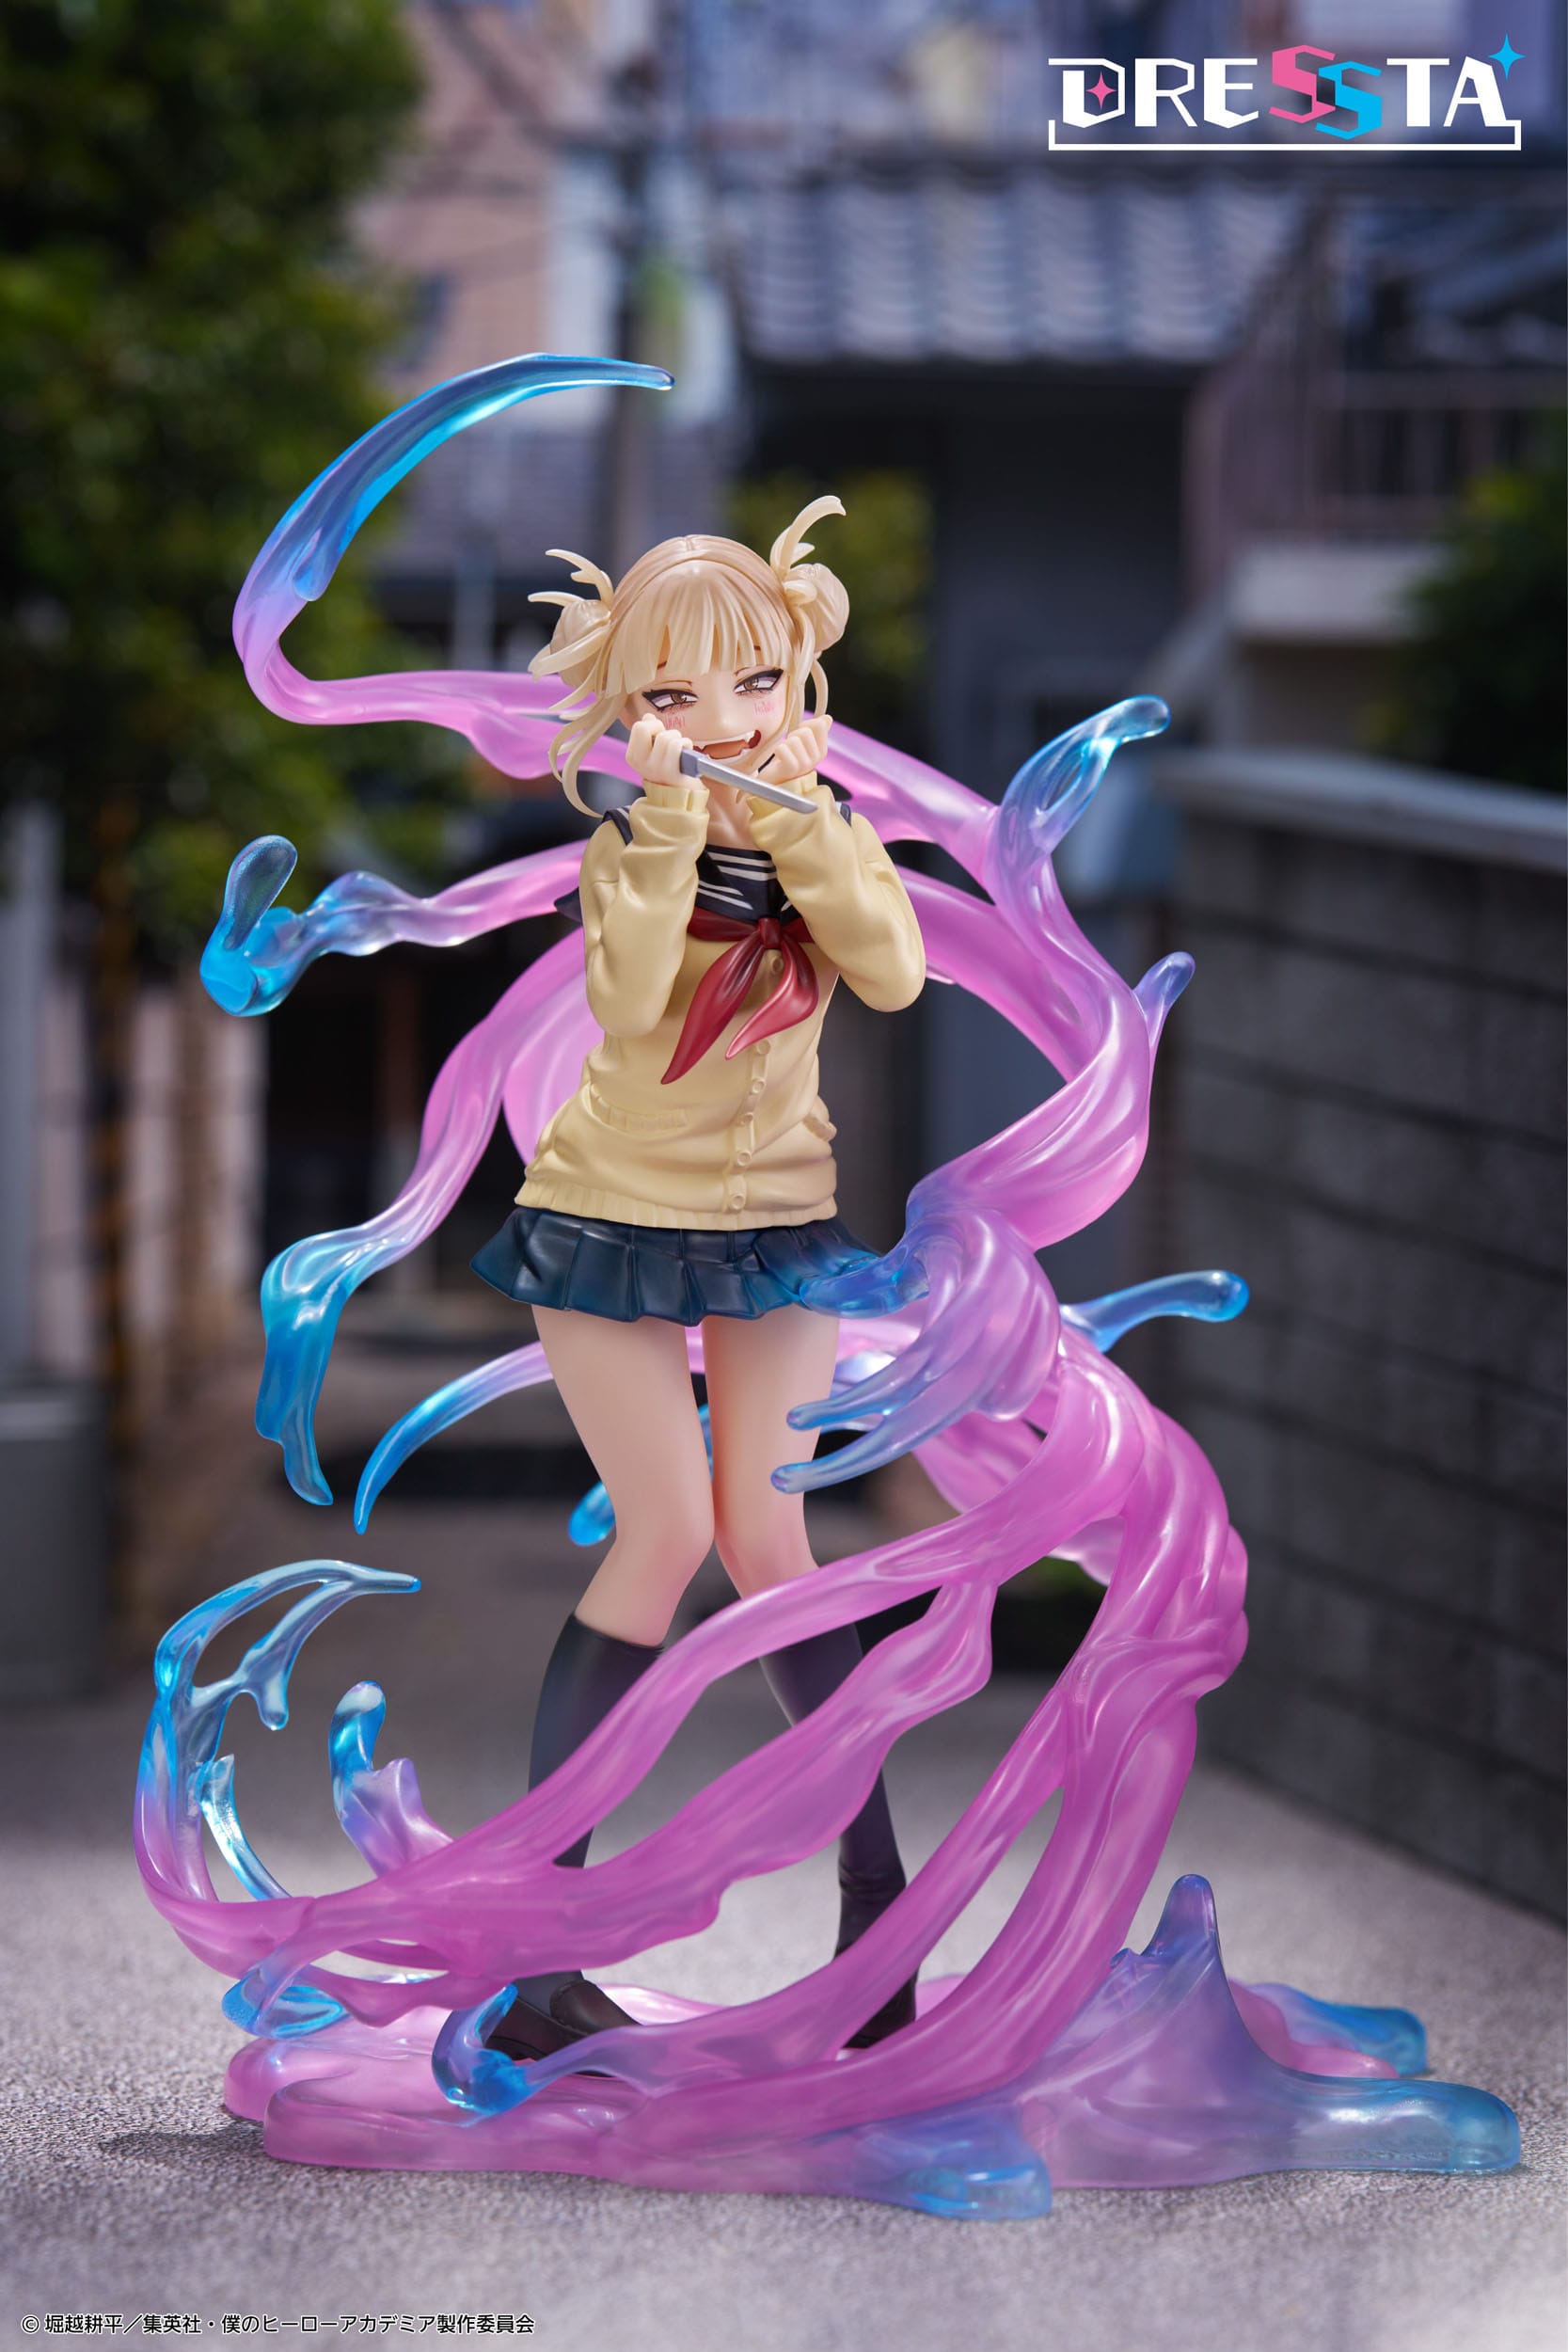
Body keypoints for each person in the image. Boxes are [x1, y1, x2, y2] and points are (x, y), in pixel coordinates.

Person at [467, 498, 927, 2064]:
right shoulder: (628, 847)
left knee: (773, 1542)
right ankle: (539, 1965)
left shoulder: (823, 832)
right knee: (662, 1535)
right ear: (628, 707)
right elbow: (627, 998)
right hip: (608, 1210)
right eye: (672, 691)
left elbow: (894, 970)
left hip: (777, 1219)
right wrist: (672, 823)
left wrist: (801, 828)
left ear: (796, 675)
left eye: (752, 680)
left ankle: (880, 1919)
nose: (721, 716)